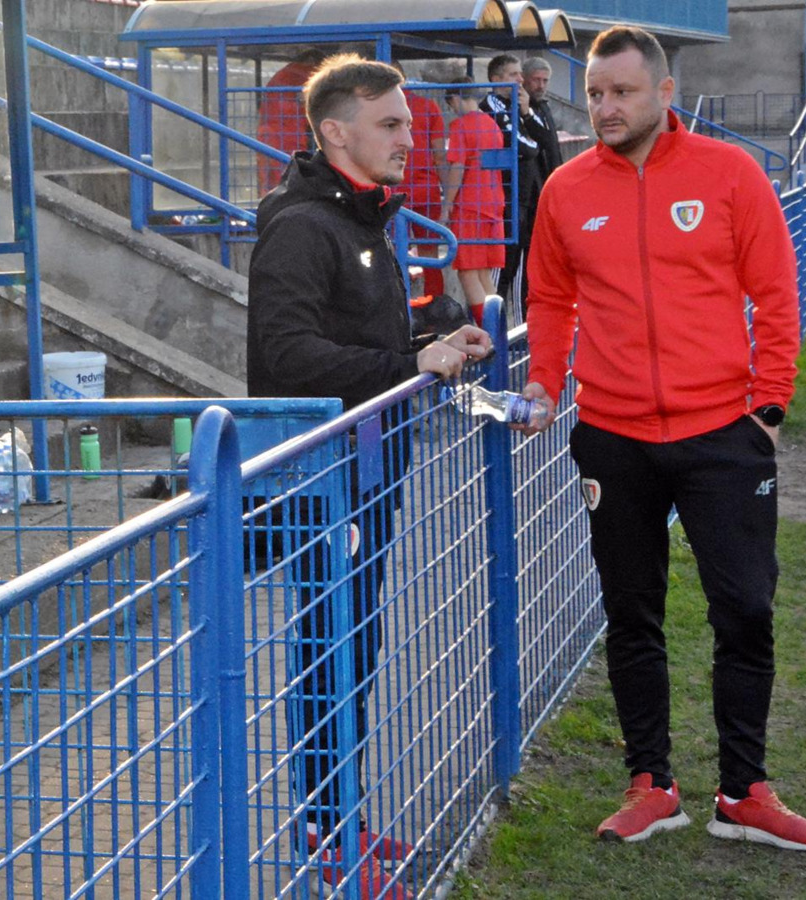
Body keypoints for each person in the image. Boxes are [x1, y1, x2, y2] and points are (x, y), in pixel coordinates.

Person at [519, 26, 806, 851]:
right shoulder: (565, 189)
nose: (605, 107)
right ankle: (651, 785)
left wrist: (768, 406)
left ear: (664, 93)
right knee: (632, 614)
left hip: (722, 432)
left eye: (622, 91)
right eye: (594, 92)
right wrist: (545, 380)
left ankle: (744, 793)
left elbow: (775, 289)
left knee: (745, 609)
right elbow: (549, 297)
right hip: (613, 437)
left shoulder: (728, 173)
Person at [246, 53, 492, 898]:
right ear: (334, 132)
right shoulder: (301, 227)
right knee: (329, 648)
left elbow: (367, 333)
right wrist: (406, 362)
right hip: (323, 480)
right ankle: (326, 834)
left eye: (409, 124)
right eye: (389, 125)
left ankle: (340, 815)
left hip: (370, 467)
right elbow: (286, 357)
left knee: (357, 644)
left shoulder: (367, 219)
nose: (408, 139)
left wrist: (437, 334)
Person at [439, 77, 506, 324]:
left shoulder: (460, 126)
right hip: (494, 204)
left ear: (456, 98)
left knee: (467, 272)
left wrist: (447, 205)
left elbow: (457, 167)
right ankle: (498, 329)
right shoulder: (492, 124)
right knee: (484, 274)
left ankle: (489, 332)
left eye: (450, 104)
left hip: (470, 205)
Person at [479, 54, 541, 308]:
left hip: (526, 196)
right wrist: (533, 144)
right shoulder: (492, 105)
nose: (520, 79)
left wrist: (527, 114)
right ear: (496, 78)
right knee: (503, 264)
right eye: (514, 74)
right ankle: (493, 320)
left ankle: (517, 320)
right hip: (506, 198)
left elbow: (544, 140)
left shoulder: (520, 104)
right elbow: (526, 146)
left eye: (520, 74)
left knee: (522, 265)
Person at [395, 68, 448, 301]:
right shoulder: (428, 106)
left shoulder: (376, 107)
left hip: (392, 192)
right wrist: (448, 193)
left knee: (391, 252)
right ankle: (434, 305)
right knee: (430, 255)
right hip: (426, 192)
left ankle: (398, 305)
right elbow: (439, 154)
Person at [257, 49, 329, 193]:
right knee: (291, 173)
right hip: (290, 133)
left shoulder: (282, 75)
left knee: (271, 176)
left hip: (270, 132)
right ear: (312, 61)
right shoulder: (304, 74)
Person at [521, 57, 565, 183]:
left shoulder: (544, 107)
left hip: (552, 177)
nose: (541, 86)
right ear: (524, 79)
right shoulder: (519, 108)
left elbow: (552, 143)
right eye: (536, 80)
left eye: (545, 81)